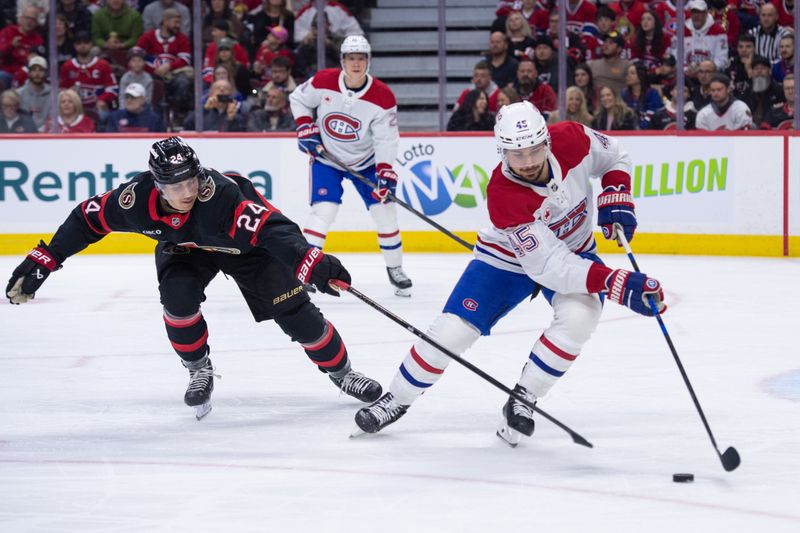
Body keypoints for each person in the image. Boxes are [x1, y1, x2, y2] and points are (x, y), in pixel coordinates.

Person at [352, 101, 666, 443]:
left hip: (575, 249)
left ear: (547, 140)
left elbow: (615, 156)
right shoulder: (503, 194)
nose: (529, 162)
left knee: (580, 318)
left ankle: (524, 397)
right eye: (517, 155)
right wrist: (613, 281)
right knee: (452, 331)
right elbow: (548, 266)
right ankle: (396, 398)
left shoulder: (573, 138)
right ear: (501, 152)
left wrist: (616, 192)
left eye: (534, 150)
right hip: (505, 261)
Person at [5, 137, 383, 420]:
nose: (187, 192)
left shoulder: (221, 197)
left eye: (191, 182)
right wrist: (47, 258)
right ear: (156, 184)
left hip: (245, 249)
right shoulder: (134, 202)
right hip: (183, 247)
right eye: (175, 186)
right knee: (177, 299)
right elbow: (87, 218)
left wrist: (308, 260)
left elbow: (272, 228)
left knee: (296, 314)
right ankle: (199, 369)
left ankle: (342, 373)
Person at [289, 35, 412, 297]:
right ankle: (306, 269)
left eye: (361, 58)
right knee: (324, 210)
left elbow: (386, 139)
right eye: (351, 58)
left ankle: (395, 268)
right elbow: (298, 98)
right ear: (343, 60)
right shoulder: (323, 81)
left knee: (385, 212)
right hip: (327, 158)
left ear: (368, 61)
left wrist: (384, 171)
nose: (356, 64)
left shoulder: (382, 96)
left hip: (364, 162)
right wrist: (304, 125)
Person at [621, 63, 664, 129]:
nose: (628, 76)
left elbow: (652, 115)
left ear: (641, 75)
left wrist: (639, 129)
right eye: (627, 73)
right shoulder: (624, 94)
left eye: (632, 73)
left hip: (648, 133)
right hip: (627, 133)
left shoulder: (652, 94)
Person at [15, 55, 51, 131]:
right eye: (34, 70)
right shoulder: (18, 94)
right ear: (29, 73)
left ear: (46, 73)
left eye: (41, 70)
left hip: (48, 135)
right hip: (24, 135)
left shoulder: (54, 94)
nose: (37, 74)